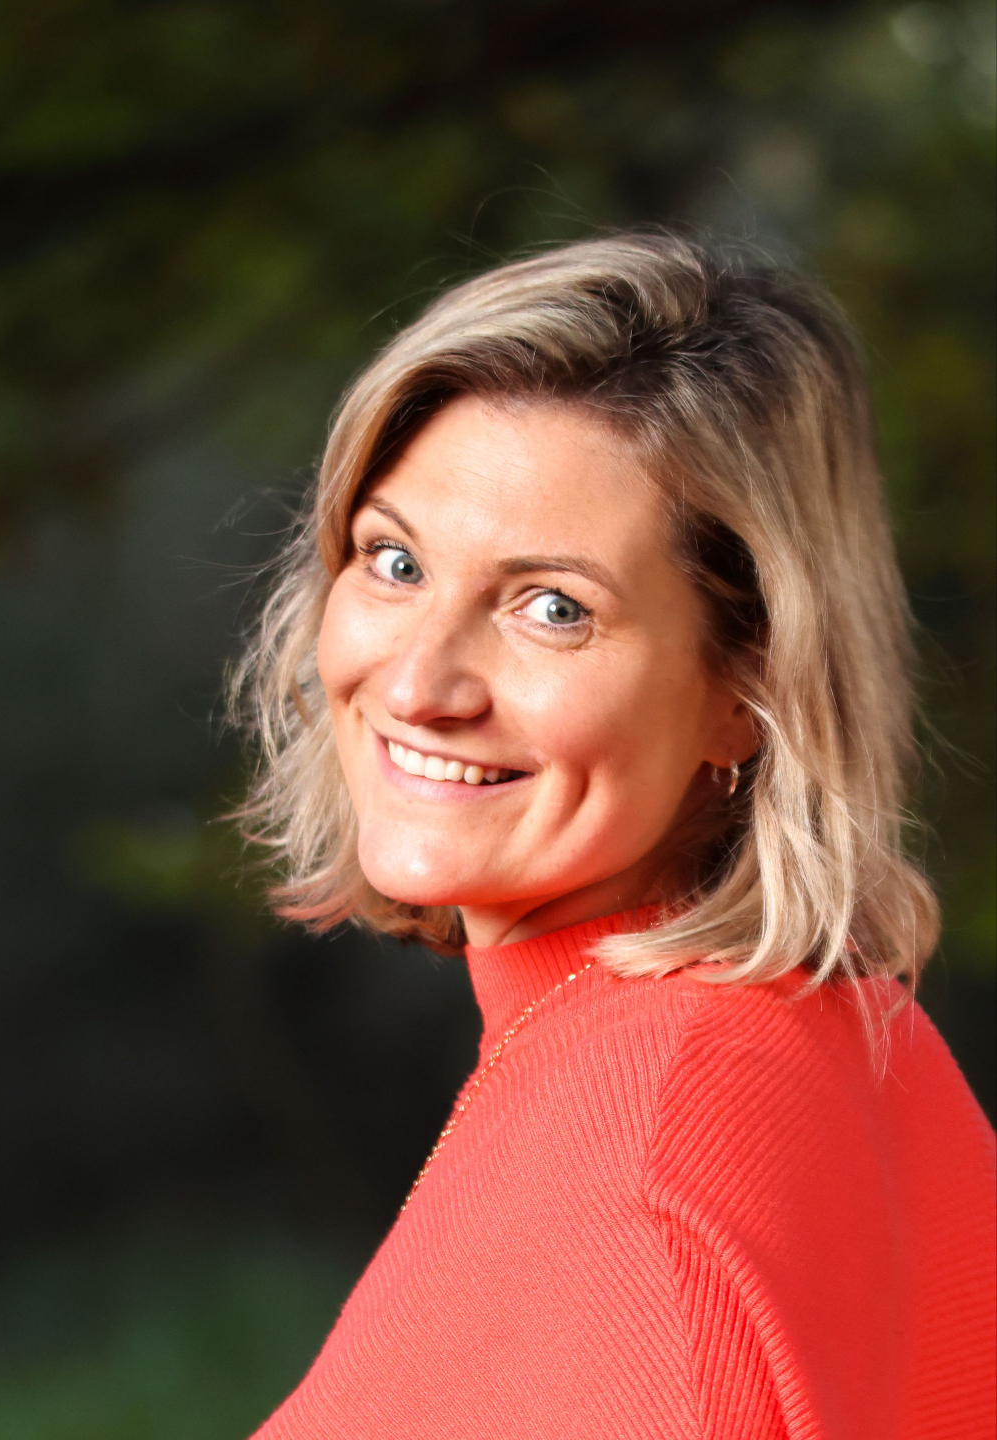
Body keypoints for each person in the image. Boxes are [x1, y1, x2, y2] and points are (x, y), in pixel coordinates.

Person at [230, 233, 996, 1439]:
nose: (419, 683)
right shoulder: (828, 1039)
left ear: (748, 690)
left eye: (553, 608)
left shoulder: (648, 1178)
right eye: (395, 561)